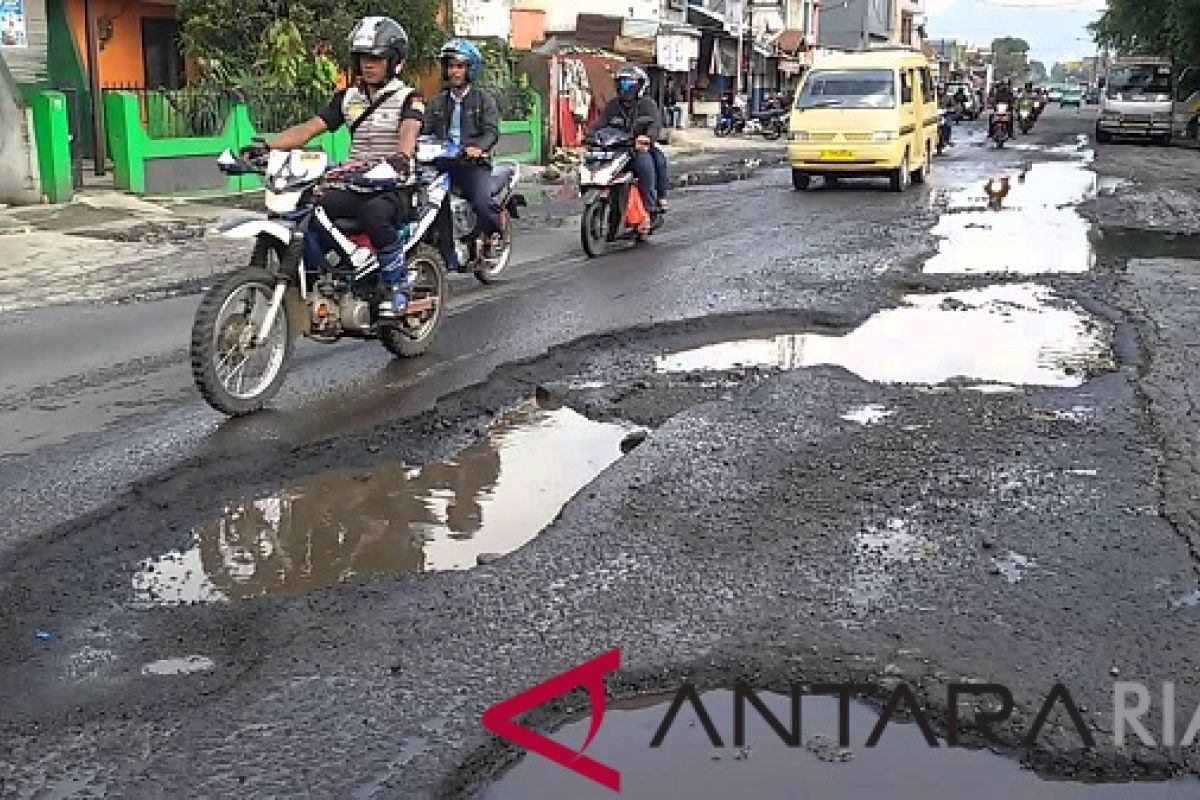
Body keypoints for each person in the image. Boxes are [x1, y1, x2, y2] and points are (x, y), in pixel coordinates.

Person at [263, 16, 425, 319]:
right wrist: (268, 147)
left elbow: (409, 130)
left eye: (376, 58)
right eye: (363, 57)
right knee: (305, 208)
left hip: (394, 184)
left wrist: (401, 156)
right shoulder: (348, 98)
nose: (368, 64)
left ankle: (397, 283)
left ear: (395, 61)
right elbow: (309, 129)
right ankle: (323, 277)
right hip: (353, 182)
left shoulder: (409, 97)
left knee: (373, 213)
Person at [422, 38, 504, 261]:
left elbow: (491, 131)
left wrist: (478, 149)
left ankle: (492, 235)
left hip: (472, 165)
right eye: (450, 66)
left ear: (470, 69)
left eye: (459, 66)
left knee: (482, 203)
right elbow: (423, 130)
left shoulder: (483, 100)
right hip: (442, 164)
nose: (454, 71)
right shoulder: (437, 103)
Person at [589, 65, 669, 222]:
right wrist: (589, 136)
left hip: (638, 148)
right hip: (615, 149)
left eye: (630, 83)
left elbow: (655, 125)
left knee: (648, 165)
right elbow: (599, 124)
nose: (625, 87)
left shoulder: (648, 104)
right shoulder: (613, 105)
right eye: (622, 83)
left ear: (640, 85)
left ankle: (650, 207)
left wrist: (647, 137)